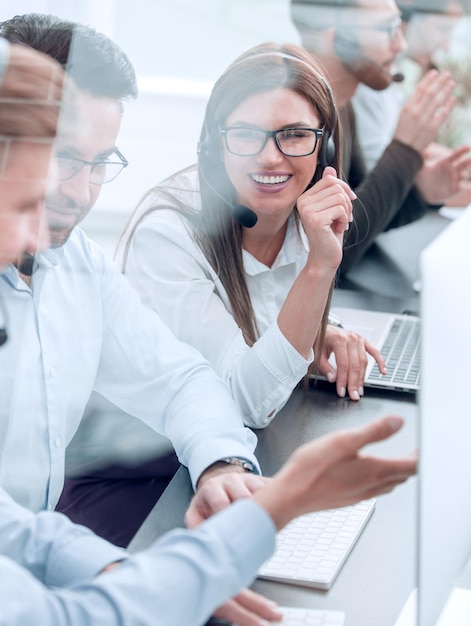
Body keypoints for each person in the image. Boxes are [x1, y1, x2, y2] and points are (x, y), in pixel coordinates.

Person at [0, 30, 417, 626]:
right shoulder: (165, 227)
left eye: (99, 165)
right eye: (62, 161)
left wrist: (224, 464)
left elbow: (181, 380)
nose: (80, 194)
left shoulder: (75, 263)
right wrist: (260, 519)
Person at [117, 41, 387, 437]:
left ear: (323, 149)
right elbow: (245, 403)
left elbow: (259, 315)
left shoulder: (304, 211)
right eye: (246, 134)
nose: (270, 159)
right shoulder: (167, 236)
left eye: (294, 134)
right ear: (215, 144)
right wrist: (318, 269)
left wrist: (322, 327)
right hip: (147, 470)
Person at [290, 0, 471, 276]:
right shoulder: (298, 125)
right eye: (387, 29)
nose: (401, 46)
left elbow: (356, 223)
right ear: (335, 37)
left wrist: (422, 192)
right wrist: (404, 150)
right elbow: (329, 257)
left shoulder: (343, 109)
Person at [353, 0, 470, 174]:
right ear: (410, 16)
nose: (445, 46)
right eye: (443, 30)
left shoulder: (391, 76)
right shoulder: (371, 80)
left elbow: (398, 145)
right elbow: (376, 163)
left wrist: (457, 160)